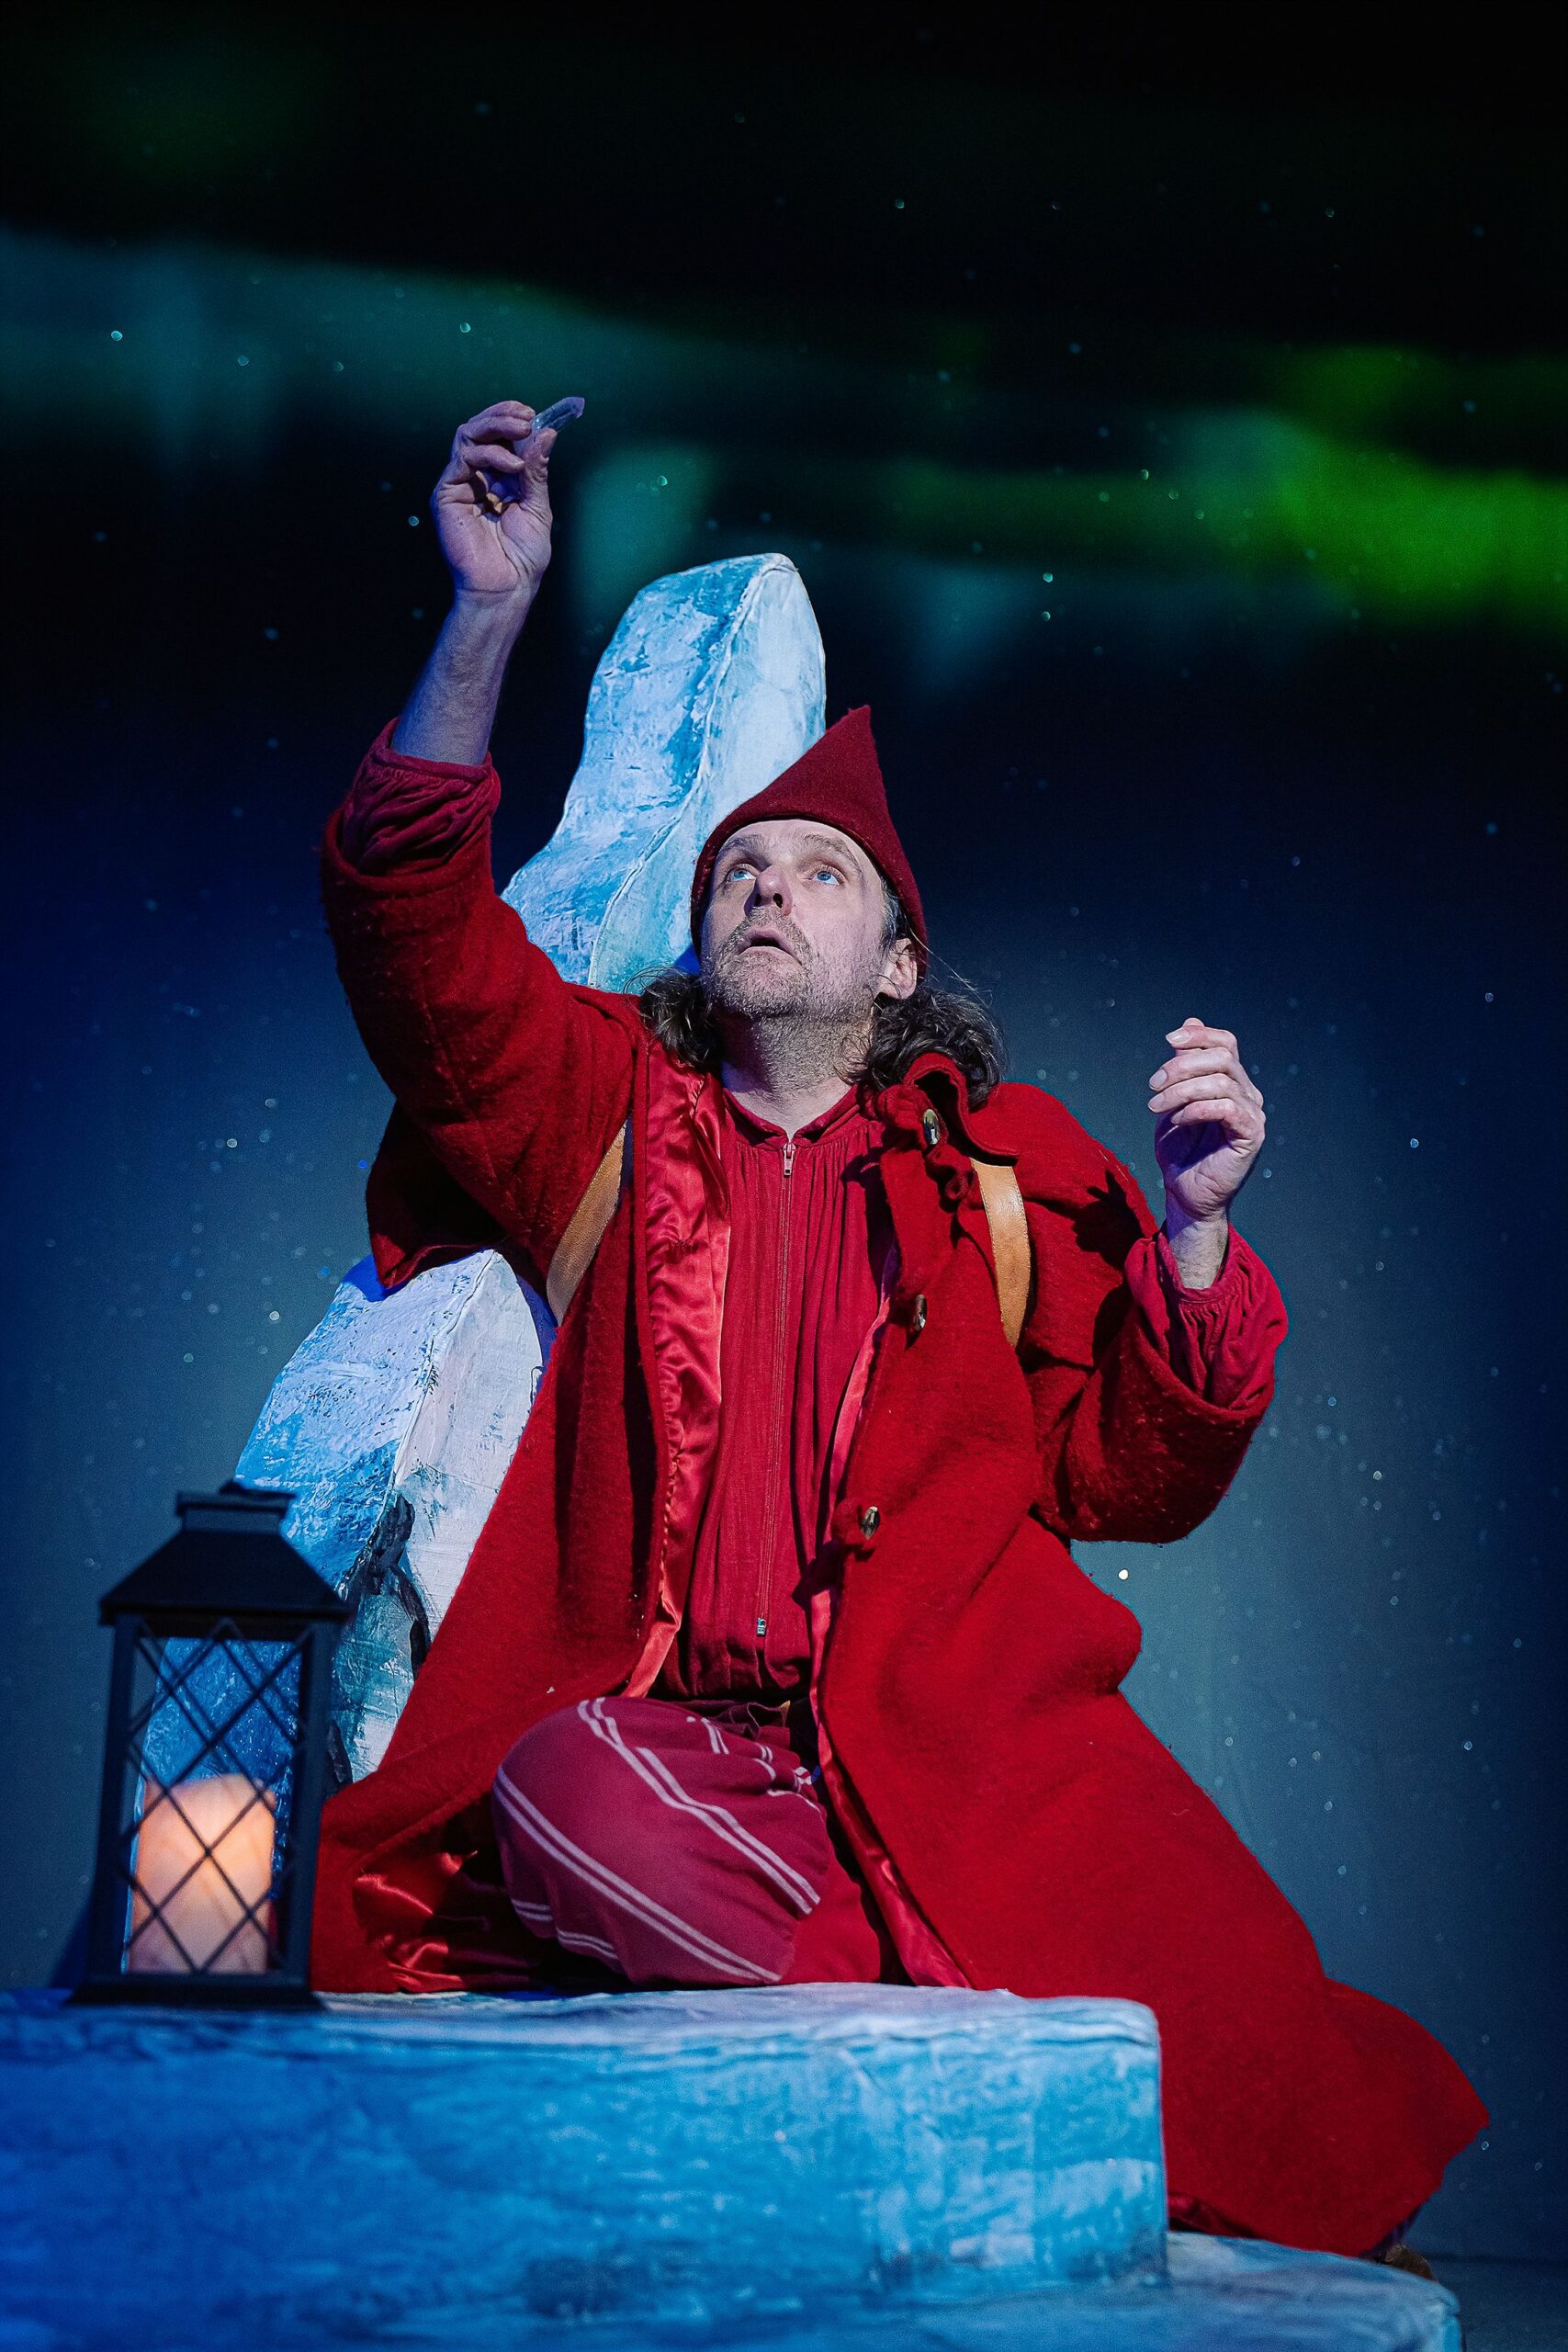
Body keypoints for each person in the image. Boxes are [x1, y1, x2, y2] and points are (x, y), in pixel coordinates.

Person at [310, 400, 1483, 2259]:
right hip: (673, 1760)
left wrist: (1192, 1239)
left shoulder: (1011, 1173)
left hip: (951, 1763)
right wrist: (486, 613)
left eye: (817, 871)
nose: (767, 889)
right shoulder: (601, 1112)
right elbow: (410, 934)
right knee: (566, 1802)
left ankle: (909, 2012)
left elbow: (1133, 1477)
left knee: (1256, 2044)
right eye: (737, 873)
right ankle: (954, 2043)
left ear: (899, 960)